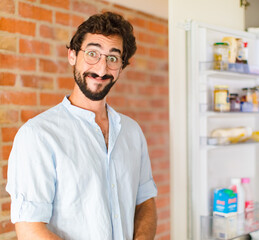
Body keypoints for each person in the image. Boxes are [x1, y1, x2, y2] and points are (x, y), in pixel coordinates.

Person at [6, 12, 158, 240]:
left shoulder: (132, 132)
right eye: (92, 53)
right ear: (72, 55)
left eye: (113, 58)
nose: (101, 68)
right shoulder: (37, 135)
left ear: (121, 67)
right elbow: (30, 230)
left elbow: (145, 202)